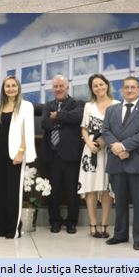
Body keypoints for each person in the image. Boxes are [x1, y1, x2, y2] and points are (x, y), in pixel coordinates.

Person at [102, 76, 139, 251]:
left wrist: (125, 146)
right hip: (117, 162)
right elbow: (105, 130)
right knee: (120, 202)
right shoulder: (111, 110)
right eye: (126, 87)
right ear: (122, 90)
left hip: (138, 162)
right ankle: (120, 234)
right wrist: (117, 148)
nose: (130, 90)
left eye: (133, 87)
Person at [0, 76, 36, 238]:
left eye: (13, 86)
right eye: (7, 86)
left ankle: (13, 229)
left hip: (15, 155)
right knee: (0, 192)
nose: (10, 89)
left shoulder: (26, 106)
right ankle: (0, 228)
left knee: (13, 193)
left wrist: (21, 151)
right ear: (3, 89)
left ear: (18, 88)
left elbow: (27, 132)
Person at [77, 74, 119, 238]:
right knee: (91, 188)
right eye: (95, 86)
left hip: (110, 150)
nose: (99, 88)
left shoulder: (117, 105)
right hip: (91, 151)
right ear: (92, 89)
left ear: (107, 85)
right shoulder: (89, 106)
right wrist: (88, 143)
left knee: (107, 188)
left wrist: (105, 142)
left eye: (101, 84)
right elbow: (84, 128)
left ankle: (104, 224)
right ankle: (93, 224)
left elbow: (119, 128)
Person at [40, 75, 84, 234]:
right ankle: (55, 221)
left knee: (72, 191)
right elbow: (45, 123)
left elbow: (77, 117)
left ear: (67, 87)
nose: (58, 89)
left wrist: (57, 116)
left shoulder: (76, 103)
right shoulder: (48, 105)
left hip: (71, 156)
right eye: (55, 86)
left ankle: (71, 222)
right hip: (52, 155)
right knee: (54, 191)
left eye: (61, 86)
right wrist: (63, 121)